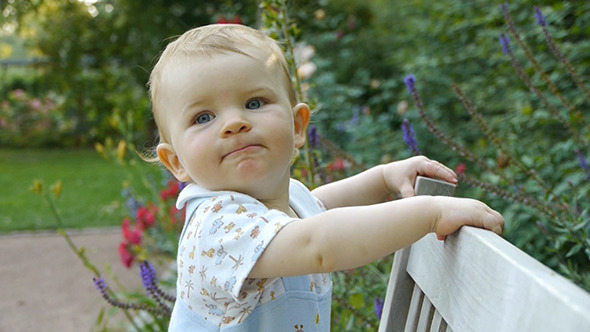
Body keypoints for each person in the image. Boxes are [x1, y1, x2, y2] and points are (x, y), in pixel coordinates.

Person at [147, 23, 504, 331]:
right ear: (176, 161)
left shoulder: (276, 207)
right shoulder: (217, 229)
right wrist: (431, 214)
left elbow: (319, 203)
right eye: (203, 117)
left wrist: (382, 178)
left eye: (254, 103)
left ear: (297, 125)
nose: (233, 123)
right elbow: (318, 245)